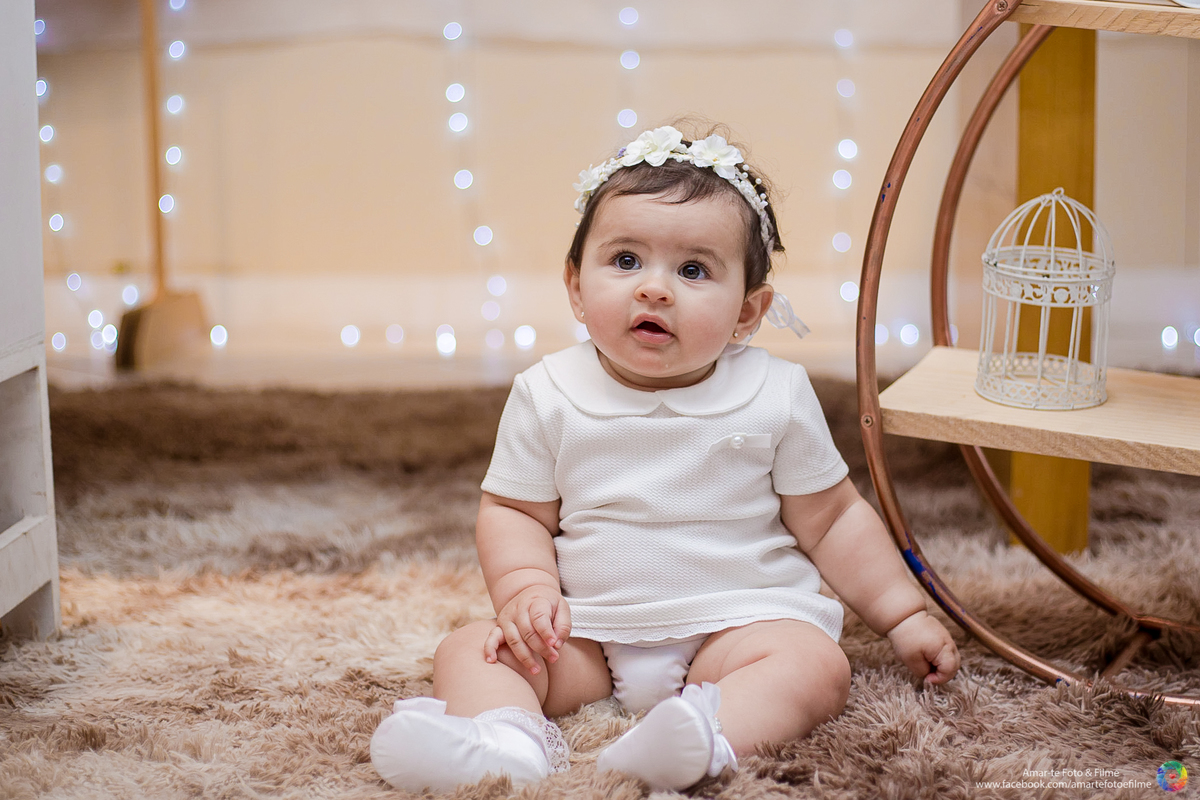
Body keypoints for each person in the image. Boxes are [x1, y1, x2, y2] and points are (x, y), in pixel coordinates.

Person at [370, 124, 960, 793]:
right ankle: (504, 740)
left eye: (693, 270)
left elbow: (832, 520)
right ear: (574, 284)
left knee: (815, 665)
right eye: (626, 261)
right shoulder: (548, 393)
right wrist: (526, 591)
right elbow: (513, 511)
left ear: (748, 311)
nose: (654, 289)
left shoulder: (774, 394)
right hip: (588, 632)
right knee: (473, 649)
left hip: (735, 628)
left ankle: (704, 737)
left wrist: (902, 614)